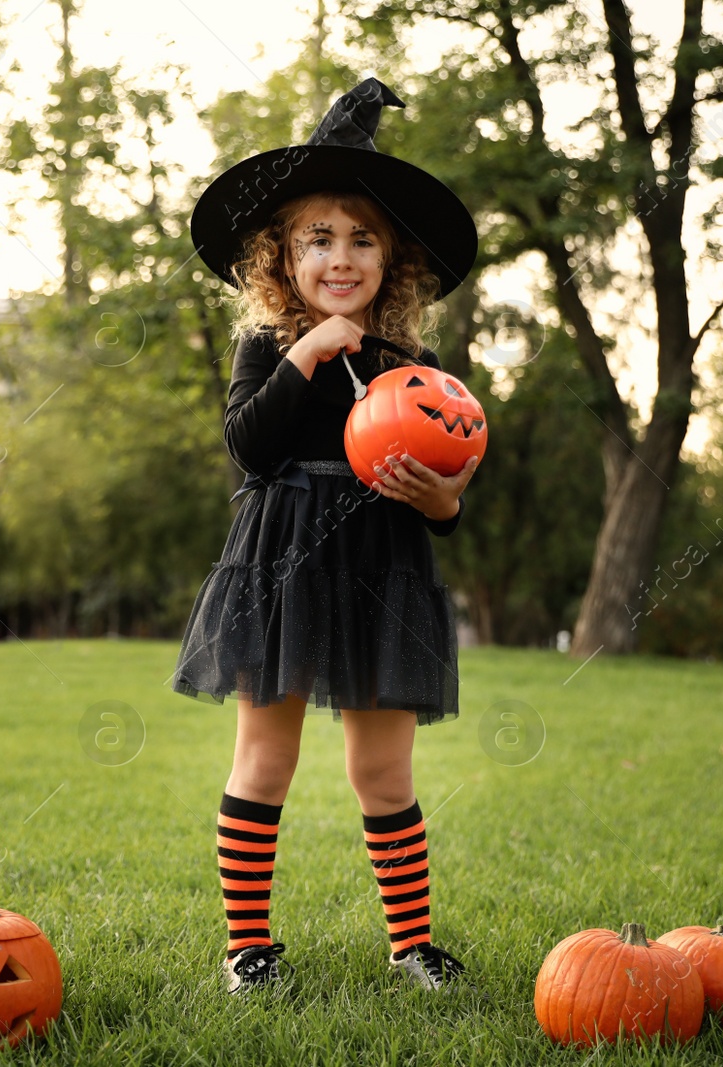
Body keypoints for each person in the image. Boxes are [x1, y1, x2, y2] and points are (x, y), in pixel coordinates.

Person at [172, 77, 482, 994]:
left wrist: (439, 501)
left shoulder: (414, 366)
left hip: (384, 560)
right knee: (265, 757)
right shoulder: (269, 345)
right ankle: (249, 947)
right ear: (282, 255)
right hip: (282, 558)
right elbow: (249, 450)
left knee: (383, 770)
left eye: (362, 239)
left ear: (394, 258)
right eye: (318, 239)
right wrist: (309, 351)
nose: (340, 257)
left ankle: (413, 942)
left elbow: (451, 496)